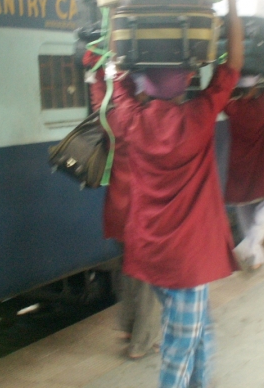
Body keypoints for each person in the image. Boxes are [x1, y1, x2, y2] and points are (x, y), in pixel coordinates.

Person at [106, 0, 243, 388]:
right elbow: (231, 68)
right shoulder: (199, 118)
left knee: (200, 330)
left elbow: (115, 81)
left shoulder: (131, 118)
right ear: (187, 78)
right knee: (180, 344)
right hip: (187, 258)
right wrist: (234, 2)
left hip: (150, 251)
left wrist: (112, 30)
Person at [82, 53, 160, 360]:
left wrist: (96, 75)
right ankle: (142, 342)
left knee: (128, 269)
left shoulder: (115, 120)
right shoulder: (153, 121)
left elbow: (99, 103)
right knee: (148, 276)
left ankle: (128, 327)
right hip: (145, 212)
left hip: (119, 208)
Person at [223, 29, 264, 271]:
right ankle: (245, 250)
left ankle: (255, 258)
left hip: (238, 171)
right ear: (253, 89)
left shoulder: (231, 108)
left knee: (245, 217)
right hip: (261, 170)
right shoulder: (261, 106)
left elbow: (219, 92)